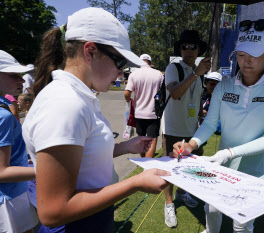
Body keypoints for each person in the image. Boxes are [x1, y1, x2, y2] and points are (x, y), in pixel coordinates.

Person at [22, 7, 169, 233]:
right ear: (90, 52)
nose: (121, 74)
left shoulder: (80, 97)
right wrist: (134, 183)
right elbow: (52, 211)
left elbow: (82, 155)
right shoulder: (65, 104)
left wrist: (124, 147)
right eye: (119, 63)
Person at [172, 19, 264, 233]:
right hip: (223, 166)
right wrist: (191, 145)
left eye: (255, 53)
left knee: (242, 223)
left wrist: (229, 152)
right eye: (241, 54)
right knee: (211, 209)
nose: (246, 61)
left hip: (257, 171)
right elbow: (210, 123)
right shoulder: (224, 86)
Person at [161, 29, 212, 228]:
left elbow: (197, 96)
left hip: (192, 131)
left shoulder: (199, 74)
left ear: (199, 49)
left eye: (193, 46)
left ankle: (182, 193)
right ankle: (168, 203)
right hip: (173, 128)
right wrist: (196, 73)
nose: (189, 50)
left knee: (189, 167)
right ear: (180, 49)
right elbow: (174, 92)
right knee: (170, 168)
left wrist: (200, 113)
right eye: (185, 46)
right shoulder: (174, 67)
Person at [0, 50, 38, 233]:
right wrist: (45, 171)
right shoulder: (4, 116)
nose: (22, 81)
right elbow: (2, 171)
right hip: (10, 198)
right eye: (14, 75)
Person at [124, 54, 164, 158]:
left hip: (139, 113)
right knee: (152, 140)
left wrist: (128, 101)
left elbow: (127, 93)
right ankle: (148, 165)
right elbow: (163, 93)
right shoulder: (158, 74)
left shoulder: (134, 74)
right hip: (154, 113)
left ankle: (143, 161)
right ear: (150, 63)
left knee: (141, 139)